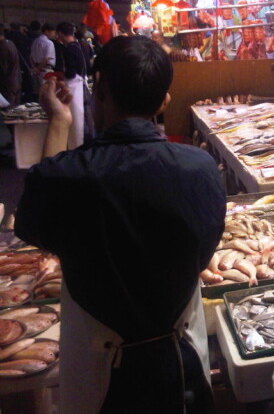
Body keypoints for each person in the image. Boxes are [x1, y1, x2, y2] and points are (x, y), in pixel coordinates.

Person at [15, 35, 225, 414]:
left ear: (99, 92)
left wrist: (59, 122)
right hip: (183, 360)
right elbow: (202, 253)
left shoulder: (68, 178)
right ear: (164, 101)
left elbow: (35, 223)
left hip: (99, 371)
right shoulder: (201, 168)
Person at [56, 22, 94, 147]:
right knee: (86, 118)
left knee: (76, 119)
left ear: (61, 33)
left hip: (74, 86)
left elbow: (71, 73)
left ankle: (77, 146)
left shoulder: (68, 49)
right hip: (83, 85)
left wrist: (62, 76)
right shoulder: (82, 46)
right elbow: (88, 67)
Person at [29, 23, 56, 99]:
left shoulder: (35, 41)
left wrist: (34, 68)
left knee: (37, 94)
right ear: (47, 31)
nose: (54, 34)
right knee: (47, 94)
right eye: (53, 32)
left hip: (36, 70)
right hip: (45, 70)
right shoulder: (49, 43)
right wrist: (38, 69)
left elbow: (31, 57)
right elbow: (46, 58)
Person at [0, 24, 22, 107]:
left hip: (7, 85)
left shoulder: (2, 47)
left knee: (8, 114)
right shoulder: (11, 43)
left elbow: (3, 69)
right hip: (16, 82)